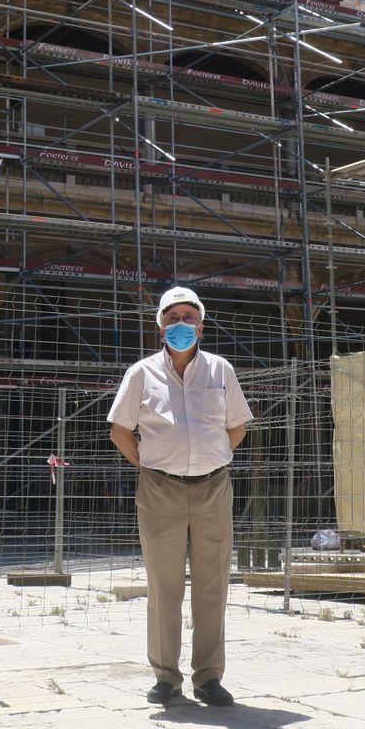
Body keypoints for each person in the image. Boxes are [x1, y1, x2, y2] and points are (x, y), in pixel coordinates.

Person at [108, 286, 252, 707]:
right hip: (160, 488)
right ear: (160, 327)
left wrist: (212, 456)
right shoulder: (141, 373)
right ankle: (165, 676)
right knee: (163, 583)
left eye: (189, 317)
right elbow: (120, 430)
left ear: (202, 327)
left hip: (213, 486)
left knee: (213, 583)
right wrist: (151, 465)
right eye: (172, 318)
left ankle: (208, 676)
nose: (181, 324)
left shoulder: (220, 370)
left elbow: (237, 426)